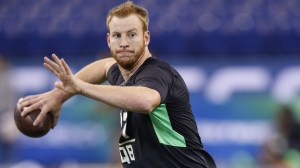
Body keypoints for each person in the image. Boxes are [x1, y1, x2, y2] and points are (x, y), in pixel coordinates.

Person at [18, 1, 216, 167]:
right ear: (108, 40)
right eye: (117, 36)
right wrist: (58, 96)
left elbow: (146, 100)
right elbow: (104, 66)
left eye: (132, 34)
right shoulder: (122, 71)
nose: (123, 43)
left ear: (146, 38)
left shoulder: (157, 72)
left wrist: (80, 87)